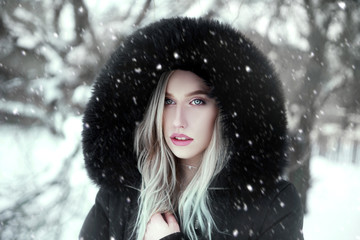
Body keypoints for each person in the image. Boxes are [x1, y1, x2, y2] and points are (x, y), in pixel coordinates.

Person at [80, 17, 304, 240]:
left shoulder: (270, 204)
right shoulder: (119, 197)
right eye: (168, 101)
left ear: (226, 114)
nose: (179, 120)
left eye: (196, 101)